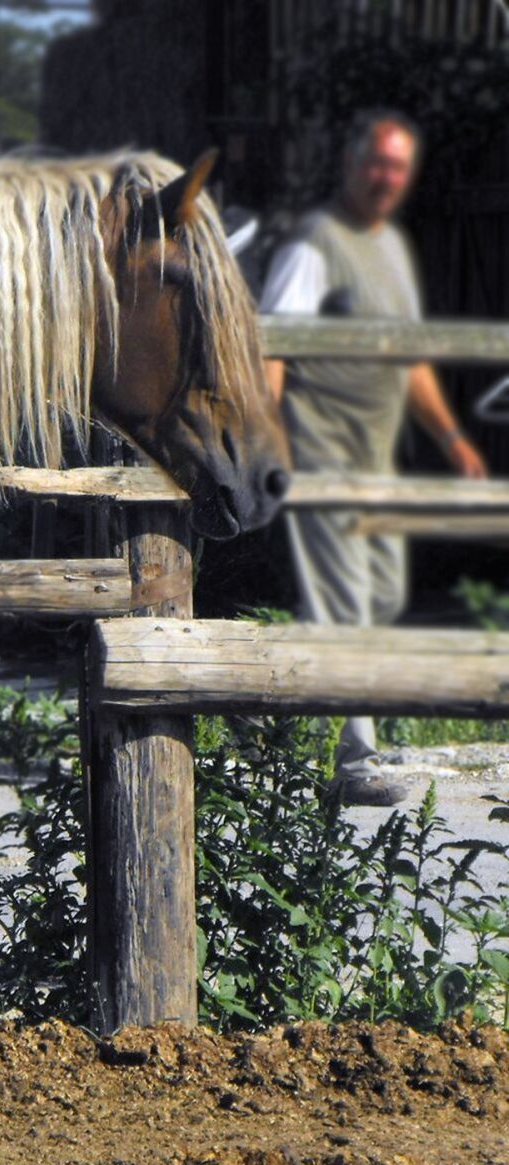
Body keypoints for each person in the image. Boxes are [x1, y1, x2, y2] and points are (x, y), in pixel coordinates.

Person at [259, 110, 489, 807]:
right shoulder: (314, 245)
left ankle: (267, 693)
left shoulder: (390, 248)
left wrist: (453, 439)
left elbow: (409, 357)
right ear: (351, 164)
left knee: (384, 594)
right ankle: (355, 759)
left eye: (397, 166)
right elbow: (271, 343)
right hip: (321, 449)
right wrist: (268, 441)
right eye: (376, 163)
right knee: (348, 598)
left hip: (375, 455)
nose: (385, 177)